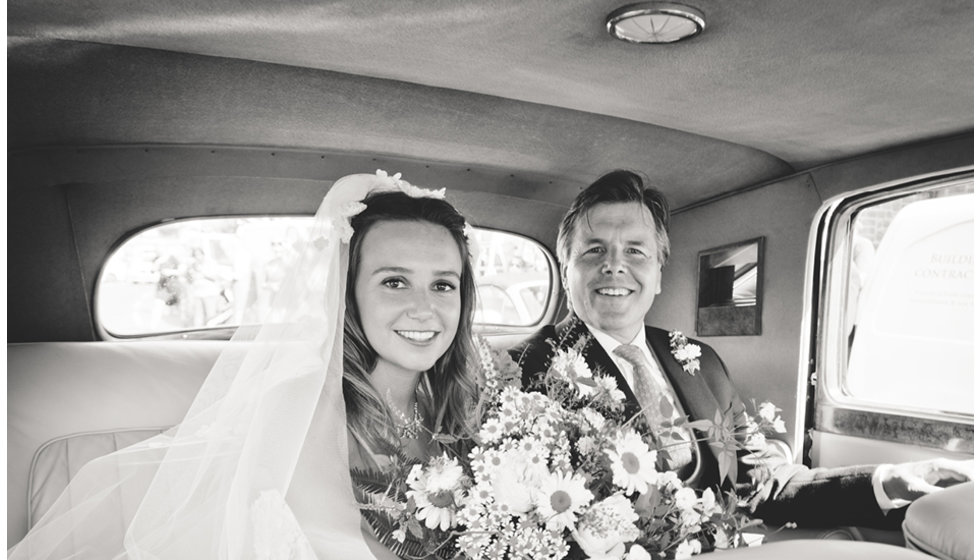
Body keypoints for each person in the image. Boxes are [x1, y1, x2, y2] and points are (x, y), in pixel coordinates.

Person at [9, 171, 477, 559]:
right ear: (348, 294)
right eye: (395, 282)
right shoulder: (300, 408)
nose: (424, 309)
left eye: (442, 285)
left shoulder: (462, 410)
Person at [511, 169, 972, 530]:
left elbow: (758, 483)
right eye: (594, 251)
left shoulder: (700, 362)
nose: (614, 266)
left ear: (658, 274)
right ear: (565, 265)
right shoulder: (526, 372)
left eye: (635, 251)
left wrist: (885, 482)